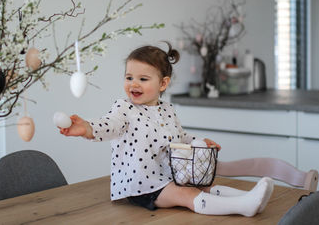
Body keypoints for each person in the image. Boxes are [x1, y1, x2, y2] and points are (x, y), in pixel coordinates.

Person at [59, 43, 274, 217]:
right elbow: (109, 125)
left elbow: (179, 138)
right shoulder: (124, 108)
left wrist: (199, 140)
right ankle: (242, 206)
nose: (134, 84)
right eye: (129, 77)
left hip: (168, 176)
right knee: (187, 193)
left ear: (163, 84)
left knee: (205, 187)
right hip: (142, 185)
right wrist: (87, 127)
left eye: (143, 79)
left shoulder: (167, 110)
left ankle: (249, 197)